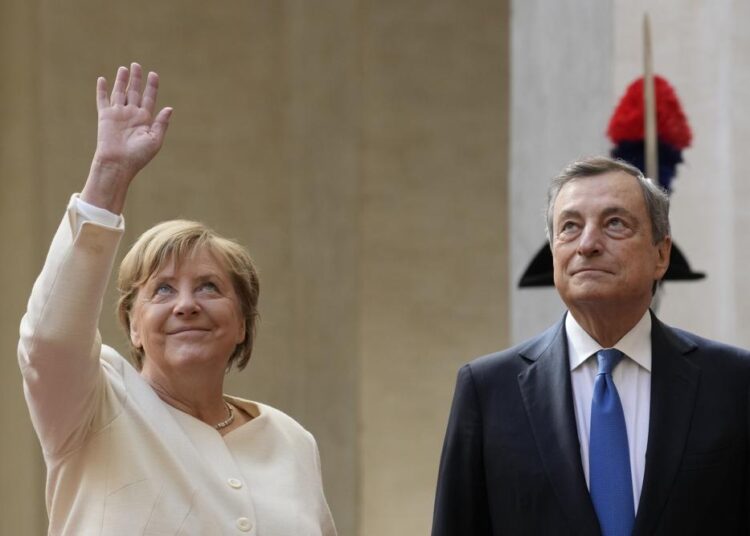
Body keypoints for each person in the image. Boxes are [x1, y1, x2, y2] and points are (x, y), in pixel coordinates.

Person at [18, 63, 337, 536]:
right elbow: (50, 338)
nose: (186, 305)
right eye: (162, 290)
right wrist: (109, 175)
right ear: (131, 326)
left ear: (243, 323)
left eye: (209, 287)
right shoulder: (93, 404)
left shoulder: (291, 440)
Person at [432, 156, 750, 535]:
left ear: (661, 254)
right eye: (570, 227)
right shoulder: (488, 390)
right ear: (554, 254)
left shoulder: (733, 381)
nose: (587, 244)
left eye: (614, 223)